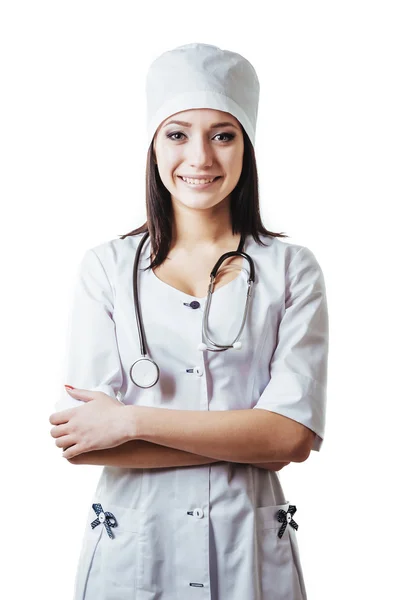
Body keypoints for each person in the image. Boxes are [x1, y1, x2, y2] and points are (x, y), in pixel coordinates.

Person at [49, 43, 329, 600]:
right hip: (134, 551)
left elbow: (290, 437)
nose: (200, 157)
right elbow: (85, 441)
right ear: (153, 146)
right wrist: (246, 434)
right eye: (177, 133)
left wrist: (131, 421)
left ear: (246, 148)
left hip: (245, 550)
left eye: (222, 135)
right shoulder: (106, 267)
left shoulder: (291, 269)